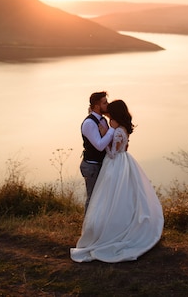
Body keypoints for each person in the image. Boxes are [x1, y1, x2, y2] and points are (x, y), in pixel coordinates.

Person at [70, 99, 164, 263]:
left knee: (110, 197)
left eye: (109, 109)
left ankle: (108, 230)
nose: (107, 111)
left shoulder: (117, 130)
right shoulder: (123, 128)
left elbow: (113, 152)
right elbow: (125, 148)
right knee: (124, 196)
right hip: (124, 162)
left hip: (115, 164)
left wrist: (107, 133)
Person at [79, 91, 115, 212]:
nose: (107, 105)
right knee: (93, 198)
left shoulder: (103, 120)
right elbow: (99, 145)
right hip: (91, 166)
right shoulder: (89, 123)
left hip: (101, 164)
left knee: (102, 198)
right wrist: (112, 130)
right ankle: (87, 227)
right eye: (105, 103)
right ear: (96, 105)